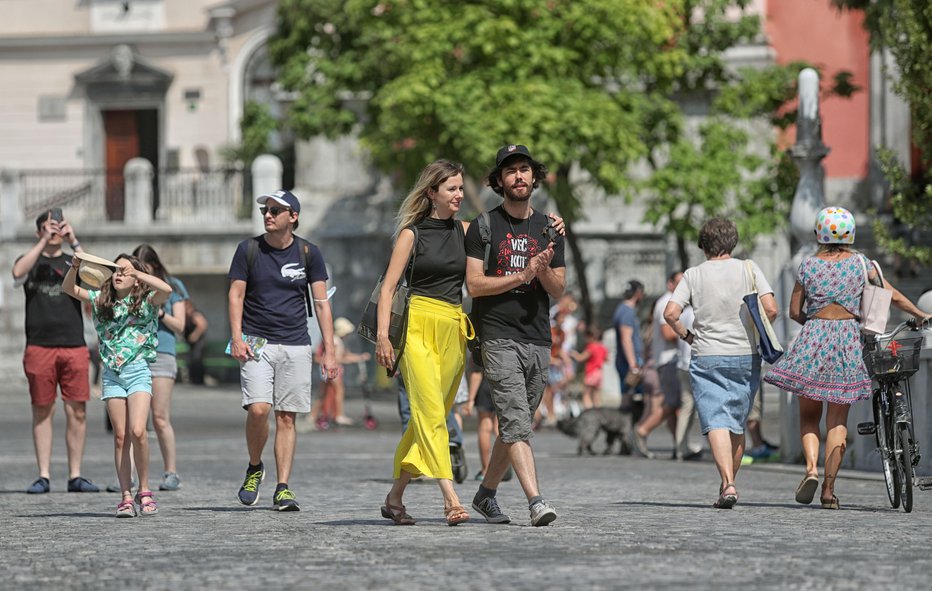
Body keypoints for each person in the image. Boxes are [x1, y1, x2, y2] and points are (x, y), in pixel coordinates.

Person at [763, 207, 931, 509]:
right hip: (847, 342)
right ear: (850, 233)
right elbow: (890, 294)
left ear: (818, 234)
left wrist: (816, 323)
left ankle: (811, 469)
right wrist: (920, 313)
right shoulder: (860, 264)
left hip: (813, 339)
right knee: (838, 421)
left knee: (808, 417)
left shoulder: (808, 265)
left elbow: (792, 311)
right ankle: (828, 490)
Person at [466, 144, 566, 527]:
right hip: (498, 336)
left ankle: (486, 494)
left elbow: (558, 289)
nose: (519, 176)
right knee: (515, 420)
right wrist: (521, 276)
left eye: (524, 169)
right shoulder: (483, 227)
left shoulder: (549, 227)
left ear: (534, 177)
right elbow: (474, 285)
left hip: (539, 338)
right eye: (510, 171)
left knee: (514, 425)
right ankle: (536, 501)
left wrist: (540, 271)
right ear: (499, 181)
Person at [375, 160, 474, 526]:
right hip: (416, 325)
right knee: (433, 414)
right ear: (432, 192)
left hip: (453, 326)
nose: (459, 195)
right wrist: (384, 337)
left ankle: (394, 498)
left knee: (425, 420)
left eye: (461, 188)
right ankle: (450, 498)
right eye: (451, 189)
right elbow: (388, 288)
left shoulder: (467, 231)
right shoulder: (411, 234)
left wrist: (549, 227)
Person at [228, 189, 338, 512]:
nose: (268, 214)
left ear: (293, 217)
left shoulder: (308, 253)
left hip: (295, 343)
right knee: (259, 409)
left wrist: (329, 349)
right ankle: (254, 466)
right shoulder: (248, 250)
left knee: (287, 417)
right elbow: (236, 295)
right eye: (266, 208)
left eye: (276, 210)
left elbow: (322, 303)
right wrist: (236, 336)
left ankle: (283, 488)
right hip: (256, 341)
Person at [663, 218, 777, 509]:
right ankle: (728, 483)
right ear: (733, 242)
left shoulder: (692, 275)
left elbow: (671, 313)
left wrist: (688, 336)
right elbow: (771, 309)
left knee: (715, 420)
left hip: (706, 354)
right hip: (745, 354)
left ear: (703, 246)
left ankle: (728, 484)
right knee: (736, 424)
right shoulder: (749, 269)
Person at [63, 253, 173, 517]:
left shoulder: (147, 302)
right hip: (112, 375)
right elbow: (69, 288)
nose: (119, 275)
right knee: (121, 437)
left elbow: (166, 289)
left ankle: (144, 490)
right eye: (116, 271)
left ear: (135, 279)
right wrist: (76, 268)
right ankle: (126, 496)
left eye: (125, 271)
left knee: (139, 431)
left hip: (138, 373)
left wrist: (137, 273)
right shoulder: (101, 301)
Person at [12, 210, 99, 494]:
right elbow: (17, 273)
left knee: (78, 411)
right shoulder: (31, 260)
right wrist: (42, 243)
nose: (55, 230)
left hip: (73, 344)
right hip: (39, 345)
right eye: (49, 227)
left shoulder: (71, 258)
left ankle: (75, 475)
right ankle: (44, 475)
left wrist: (74, 241)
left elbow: (96, 279)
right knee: (42, 410)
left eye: (58, 226)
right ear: (39, 231)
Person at [132, 244, 187, 491]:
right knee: (136, 421)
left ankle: (171, 472)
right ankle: (129, 475)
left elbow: (180, 325)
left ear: (156, 266)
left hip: (163, 354)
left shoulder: (172, 286)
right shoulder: (131, 287)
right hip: (136, 354)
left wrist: (160, 312)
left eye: (148, 269)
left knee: (160, 417)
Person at [613, 280, 645, 412]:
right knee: (629, 397)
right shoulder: (627, 311)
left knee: (628, 395)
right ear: (638, 293)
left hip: (625, 361)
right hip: (629, 363)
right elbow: (626, 339)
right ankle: (627, 429)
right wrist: (633, 364)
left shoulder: (622, 309)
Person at [571, 326, 609, 409]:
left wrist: (574, 354)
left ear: (590, 337)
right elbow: (607, 359)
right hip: (599, 372)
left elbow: (581, 358)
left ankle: (588, 411)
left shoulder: (591, 347)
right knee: (596, 395)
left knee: (586, 393)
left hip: (591, 372)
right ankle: (598, 412)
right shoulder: (602, 347)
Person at [183, 300, 209, 385]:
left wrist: (195, 335)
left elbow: (203, 325)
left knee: (197, 359)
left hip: (199, 342)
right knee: (191, 359)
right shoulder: (185, 317)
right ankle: (193, 379)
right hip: (190, 343)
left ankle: (199, 380)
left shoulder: (195, 315)